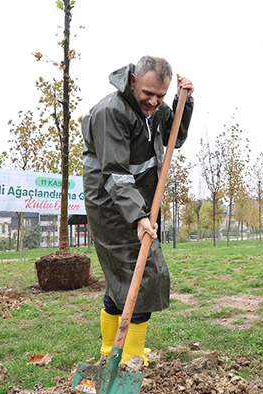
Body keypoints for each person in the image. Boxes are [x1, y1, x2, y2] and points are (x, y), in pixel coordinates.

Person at [82, 56, 194, 365]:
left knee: (122, 275)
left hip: (137, 201)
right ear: (133, 81)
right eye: (148, 93)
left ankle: (110, 351)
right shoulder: (111, 112)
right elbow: (115, 173)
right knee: (142, 274)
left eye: (161, 95)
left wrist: (184, 100)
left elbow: (176, 138)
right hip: (111, 203)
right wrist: (139, 217)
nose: (154, 101)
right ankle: (128, 355)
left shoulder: (153, 109)